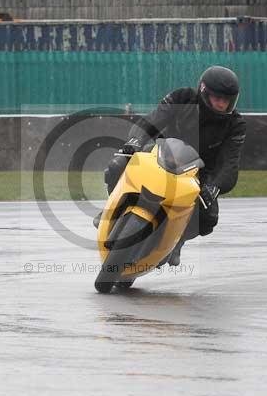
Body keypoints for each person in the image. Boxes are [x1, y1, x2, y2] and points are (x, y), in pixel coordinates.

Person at [98, 65, 247, 266]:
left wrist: (214, 186)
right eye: (217, 98)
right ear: (204, 91)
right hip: (160, 153)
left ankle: (177, 242)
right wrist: (136, 141)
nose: (222, 104)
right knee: (117, 166)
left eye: (226, 100)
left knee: (208, 217)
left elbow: (230, 162)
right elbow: (153, 120)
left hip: (199, 172)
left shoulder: (235, 124)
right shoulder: (182, 97)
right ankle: (113, 209)